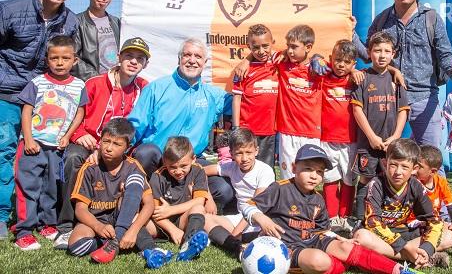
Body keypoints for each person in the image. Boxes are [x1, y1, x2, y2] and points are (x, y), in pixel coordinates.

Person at [242, 143, 424, 274]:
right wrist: (262, 218)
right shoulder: (280, 188)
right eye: (308, 169)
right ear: (293, 167)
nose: (314, 176)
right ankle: (338, 265)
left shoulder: (318, 199)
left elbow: (323, 231)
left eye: (319, 172)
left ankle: (398, 270)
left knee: (346, 245)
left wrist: (338, 238)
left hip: (313, 241)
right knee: (319, 261)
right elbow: (248, 206)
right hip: (288, 247)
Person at [0, 0, 78, 239]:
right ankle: (2, 214)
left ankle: (43, 216)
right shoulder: (11, 10)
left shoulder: (70, 21)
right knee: (5, 151)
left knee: (41, 160)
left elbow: (65, 58)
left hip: (45, 99)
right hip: (7, 92)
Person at [353, 0, 452, 148]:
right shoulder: (381, 20)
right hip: (389, 97)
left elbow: (445, 54)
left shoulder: (431, 18)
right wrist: (351, 33)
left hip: (424, 96)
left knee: (430, 159)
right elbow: (368, 55)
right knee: (385, 155)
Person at [55, 37, 150, 249]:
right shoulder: (94, 83)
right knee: (73, 157)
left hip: (124, 146)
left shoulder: (145, 88)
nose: (133, 61)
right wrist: (79, 133)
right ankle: (66, 226)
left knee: (146, 155)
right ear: (119, 57)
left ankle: (132, 219)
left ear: (145, 64)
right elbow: (74, 115)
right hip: (89, 141)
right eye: (128, 56)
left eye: (139, 58)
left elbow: (143, 123)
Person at [127, 38, 234, 212]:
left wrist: (249, 60)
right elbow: (135, 125)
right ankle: (145, 201)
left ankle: (178, 205)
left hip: (192, 162)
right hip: (159, 160)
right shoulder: (156, 88)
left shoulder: (213, 95)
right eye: (187, 55)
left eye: (198, 56)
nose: (192, 60)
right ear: (179, 59)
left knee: (224, 190)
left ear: (204, 63)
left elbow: (243, 101)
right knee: (145, 152)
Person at [13, 36, 87, 250]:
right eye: (55, 58)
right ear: (47, 60)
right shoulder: (38, 82)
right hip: (33, 146)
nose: (60, 62)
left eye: (66, 58)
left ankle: (48, 224)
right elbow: (26, 111)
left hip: (57, 148)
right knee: (28, 187)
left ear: (75, 60)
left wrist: (67, 135)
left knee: (51, 187)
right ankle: (24, 231)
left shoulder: (78, 85)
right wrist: (28, 138)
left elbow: (79, 113)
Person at [68, 118, 168, 266]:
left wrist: (132, 231)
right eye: (106, 141)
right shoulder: (90, 167)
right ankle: (116, 242)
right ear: (100, 141)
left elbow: (148, 204)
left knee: (135, 180)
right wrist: (98, 226)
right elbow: (80, 209)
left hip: (125, 218)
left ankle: (134, 243)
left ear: (128, 147)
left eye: (116, 144)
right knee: (76, 246)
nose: (109, 148)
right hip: (97, 220)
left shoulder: (133, 166)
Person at [351, 139, 452, 269]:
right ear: (385, 163)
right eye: (393, 165)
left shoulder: (416, 186)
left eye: (405, 167)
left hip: (404, 231)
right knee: (361, 237)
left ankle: (419, 254)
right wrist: (403, 246)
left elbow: (434, 220)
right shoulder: (376, 184)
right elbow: (372, 223)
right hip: (379, 234)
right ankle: (413, 256)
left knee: (447, 234)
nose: (398, 172)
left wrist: (427, 248)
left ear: (414, 169)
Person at [351, 32, 410, 220]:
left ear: (393, 54)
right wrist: (371, 137)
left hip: (391, 143)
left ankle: (384, 217)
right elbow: (357, 110)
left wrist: (395, 137)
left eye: (387, 51)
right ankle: (359, 219)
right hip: (368, 143)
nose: (382, 55)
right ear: (369, 52)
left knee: (390, 178)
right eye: (377, 51)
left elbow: (403, 110)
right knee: (365, 179)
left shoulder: (397, 80)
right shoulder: (362, 78)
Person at [207, 128, 274, 254]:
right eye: (239, 153)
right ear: (231, 154)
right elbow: (201, 172)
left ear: (256, 151)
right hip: (240, 218)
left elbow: (255, 207)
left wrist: (234, 233)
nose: (244, 158)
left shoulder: (265, 171)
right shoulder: (231, 167)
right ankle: (235, 243)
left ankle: (229, 241)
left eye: (249, 152)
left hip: (260, 220)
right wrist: (208, 196)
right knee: (205, 219)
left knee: (269, 235)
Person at [146, 136, 213, 262]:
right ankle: (150, 249)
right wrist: (173, 230)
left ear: (193, 159)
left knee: (198, 208)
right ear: (164, 162)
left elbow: (199, 201)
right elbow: (154, 211)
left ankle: (188, 243)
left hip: (183, 219)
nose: (178, 171)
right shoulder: (157, 177)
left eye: (183, 166)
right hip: (161, 222)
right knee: (140, 220)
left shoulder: (198, 171)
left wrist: (170, 210)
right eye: (172, 167)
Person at [320, 40, 359, 232]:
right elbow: (315, 60)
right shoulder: (323, 76)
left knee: (348, 179)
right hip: (326, 139)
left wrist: (356, 73)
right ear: (331, 59)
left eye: (347, 62)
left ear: (354, 64)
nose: (341, 65)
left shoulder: (357, 80)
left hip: (351, 140)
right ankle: (332, 216)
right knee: (329, 178)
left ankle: (345, 216)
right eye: (337, 60)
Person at [274, 25, 323, 179]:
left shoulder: (319, 69)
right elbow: (261, 54)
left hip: (311, 132)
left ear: (308, 47)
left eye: (294, 47)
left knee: (309, 176)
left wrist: (317, 57)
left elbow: (344, 69)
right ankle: (288, 203)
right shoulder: (282, 64)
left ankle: (306, 203)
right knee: (288, 175)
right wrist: (246, 61)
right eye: (288, 46)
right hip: (287, 131)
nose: (289, 51)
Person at [231, 24, 278, 168]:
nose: (261, 51)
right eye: (256, 47)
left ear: (273, 43)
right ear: (249, 46)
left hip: (269, 131)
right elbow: (237, 98)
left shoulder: (278, 63)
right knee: (244, 170)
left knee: (266, 170)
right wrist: (236, 127)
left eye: (265, 46)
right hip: (247, 131)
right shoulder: (242, 70)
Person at [72, 0, 121, 81]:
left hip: (117, 82)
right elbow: (72, 57)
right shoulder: (76, 21)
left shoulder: (116, 22)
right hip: (92, 83)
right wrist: (98, 79)